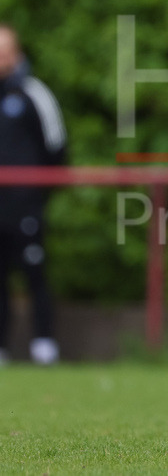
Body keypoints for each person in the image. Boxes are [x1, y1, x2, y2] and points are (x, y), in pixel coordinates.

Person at [0, 23, 66, 366]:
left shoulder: (33, 93)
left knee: (35, 274)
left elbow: (56, 148)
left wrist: (36, 193)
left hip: (25, 204)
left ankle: (44, 345)